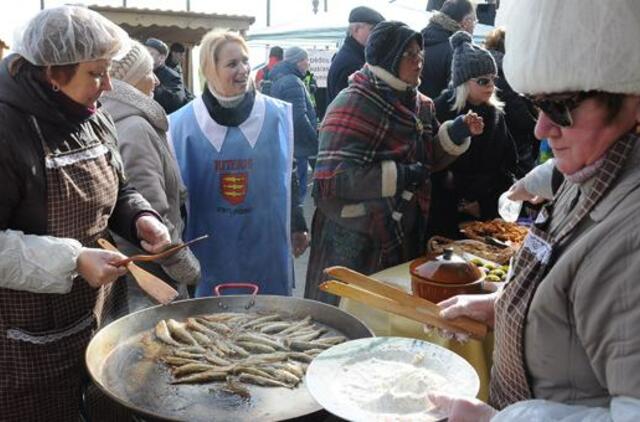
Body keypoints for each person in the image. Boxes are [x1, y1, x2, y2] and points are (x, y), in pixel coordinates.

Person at [430, 0, 640, 419]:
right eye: (537, 106)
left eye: (560, 106)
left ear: (631, 97)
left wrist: (502, 420)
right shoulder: (591, 169)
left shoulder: (631, 237)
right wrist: (512, 309)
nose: (543, 128)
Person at [0, 6, 171, 420]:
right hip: (27, 336)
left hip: (97, 312)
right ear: (52, 74)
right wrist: (73, 259)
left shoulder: (92, 117)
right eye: (96, 73)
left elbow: (119, 185)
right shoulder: (7, 130)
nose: (108, 85)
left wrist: (138, 216)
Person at [305, 21, 483, 305]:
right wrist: (401, 175)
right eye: (409, 54)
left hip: (401, 231)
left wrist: (455, 132)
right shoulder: (351, 102)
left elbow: (426, 163)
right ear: (388, 57)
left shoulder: (421, 104)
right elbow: (334, 180)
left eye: (420, 54)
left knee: (390, 316)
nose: (419, 61)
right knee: (347, 318)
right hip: (351, 237)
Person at [169, 31, 308, 298]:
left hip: (266, 249)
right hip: (209, 254)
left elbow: (286, 173)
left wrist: (297, 221)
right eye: (232, 64)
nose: (243, 70)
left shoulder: (276, 114)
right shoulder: (180, 126)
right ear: (210, 69)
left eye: (245, 61)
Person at [102, 40, 201, 311]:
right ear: (130, 80)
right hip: (150, 270)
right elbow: (153, 209)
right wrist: (183, 265)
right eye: (148, 73)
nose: (156, 81)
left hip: (138, 263)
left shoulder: (121, 121)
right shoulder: (135, 129)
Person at [430, 31, 518, 239]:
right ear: (463, 82)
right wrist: (461, 199)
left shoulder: (495, 114)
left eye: (493, 80)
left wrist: (485, 204)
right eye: (483, 81)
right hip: (444, 215)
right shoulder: (438, 110)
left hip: (483, 217)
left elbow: (507, 165)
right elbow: (432, 166)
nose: (491, 86)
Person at [484, 27, 539, 176]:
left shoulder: (487, 68)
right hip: (516, 143)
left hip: (497, 140)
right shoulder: (506, 73)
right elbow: (519, 112)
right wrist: (535, 127)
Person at [270, 46, 318, 203]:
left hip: (288, 144)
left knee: (288, 193)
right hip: (298, 146)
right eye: (306, 60)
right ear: (298, 61)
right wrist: (314, 138)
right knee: (298, 195)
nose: (308, 64)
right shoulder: (293, 81)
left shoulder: (279, 78)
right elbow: (298, 117)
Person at [326, 6, 384, 104]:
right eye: (373, 29)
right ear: (356, 29)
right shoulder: (351, 64)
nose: (378, 35)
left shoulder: (352, 55)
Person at [419, 0, 476, 99]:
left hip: (414, 110)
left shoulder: (417, 41)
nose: (475, 26)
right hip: (440, 113)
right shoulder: (457, 51)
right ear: (466, 22)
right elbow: (457, 97)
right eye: (475, 21)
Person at [145, 37, 193, 114]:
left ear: (162, 58)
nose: (146, 57)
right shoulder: (141, 72)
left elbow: (175, 101)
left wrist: (152, 85)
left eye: (151, 54)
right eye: (145, 53)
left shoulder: (173, 77)